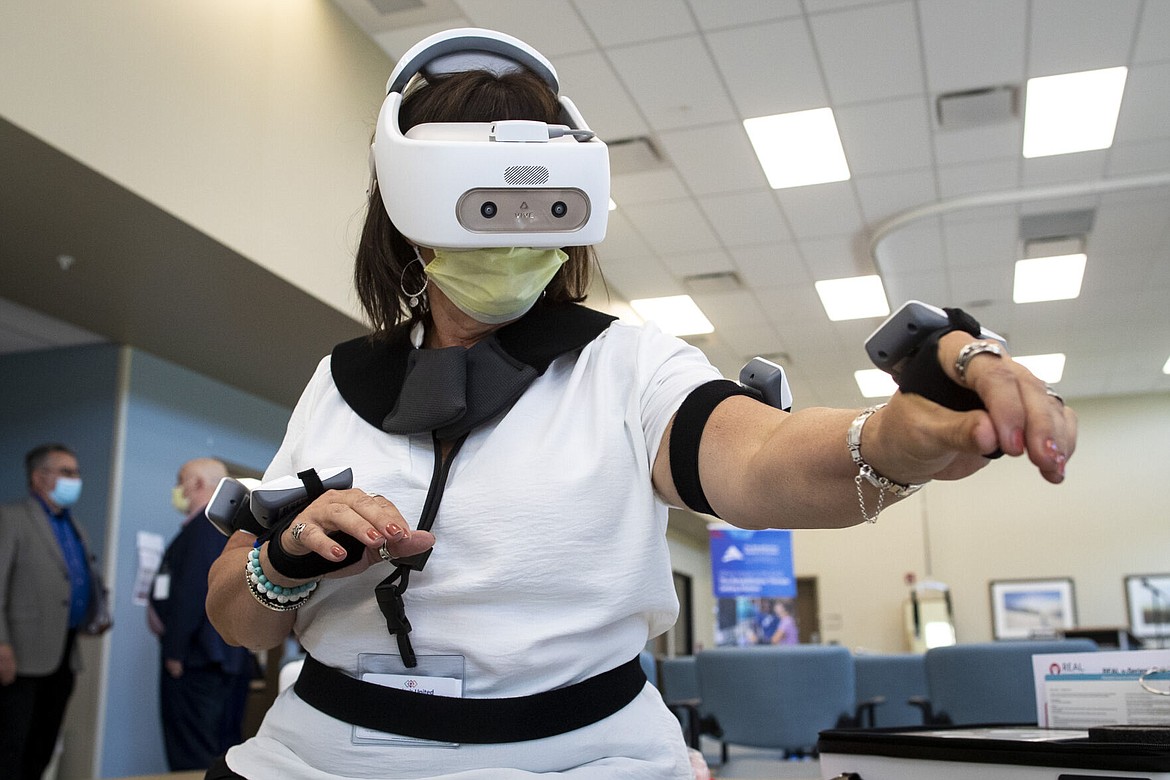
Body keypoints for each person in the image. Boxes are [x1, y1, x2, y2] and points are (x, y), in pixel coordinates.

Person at [203, 28, 1076, 780]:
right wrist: (285, 561)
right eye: (481, 209)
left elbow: (761, 459)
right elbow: (236, 618)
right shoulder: (339, 379)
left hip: (581, 754)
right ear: (406, 207)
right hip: (324, 753)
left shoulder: (626, 364)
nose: (511, 238)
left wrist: (884, 442)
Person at [0, 444, 98, 780]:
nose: (76, 479)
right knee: (11, 746)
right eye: (66, 472)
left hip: (65, 653)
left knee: (42, 744)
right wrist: (1, 645)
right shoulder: (11, 518)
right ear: (39, 477)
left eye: (76, 472)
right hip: (20, 656)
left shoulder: (75, 527)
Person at [148, 457, 253, 771]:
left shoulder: (203, 529)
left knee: (193, 754)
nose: (178, 490)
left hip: (197, 661)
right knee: (218, 752)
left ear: (195, 484)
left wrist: (175, 651)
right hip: (218, 659)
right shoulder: (225, 531)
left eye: (182, 481)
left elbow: (192, 594)